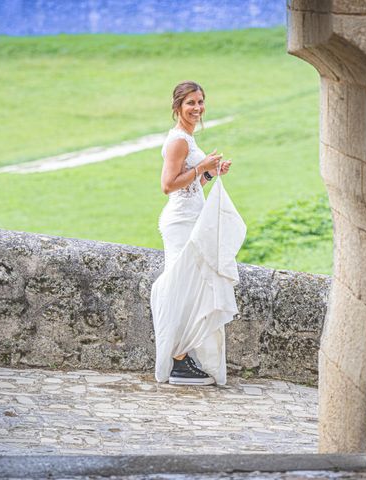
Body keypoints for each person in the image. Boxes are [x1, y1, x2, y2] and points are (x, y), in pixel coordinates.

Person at [150, 81, 246, 386]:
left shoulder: (188, 139)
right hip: (180, 222)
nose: (197, 108)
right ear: (177, 106)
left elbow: (190, 186)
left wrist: (207, 173)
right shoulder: (178, 141)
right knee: (180, 286)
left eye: (201, 102)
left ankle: (184, 355)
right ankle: (177, 359)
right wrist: (200, 166)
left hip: (192, 217)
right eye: (191, 102)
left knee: (193, 287)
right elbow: (168, 186)